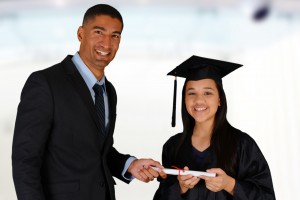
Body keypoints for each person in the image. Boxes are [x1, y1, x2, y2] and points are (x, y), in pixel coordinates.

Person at [12, 4, 165, 200]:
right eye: (98, 32)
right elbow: (25, 162)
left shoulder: (109, 91)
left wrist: (129, 165)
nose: (106, 44)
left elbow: (98, 153)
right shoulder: (45, 83)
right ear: (80, 33)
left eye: (115, 36)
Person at [153, 55, 276, 199]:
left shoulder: (242, 144)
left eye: (208, 93)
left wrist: (230, 185)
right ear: (184, 99)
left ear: (219, 99)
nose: (199, 100)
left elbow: (267, 197)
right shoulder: (173, 146)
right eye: (191, 93)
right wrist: (180, 188)